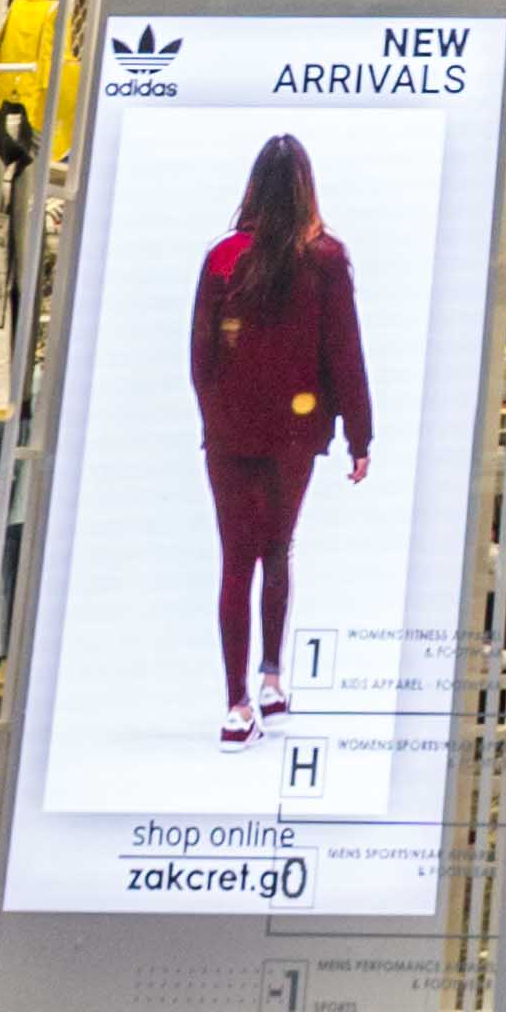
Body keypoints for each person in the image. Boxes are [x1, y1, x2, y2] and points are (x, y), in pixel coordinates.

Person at [189, 131, 371, 743]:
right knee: (277, 549)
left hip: (231, 432)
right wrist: (359, 436)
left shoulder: (223, 258)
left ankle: (235, 705)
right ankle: (271, 679)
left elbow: (201, 354)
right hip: (296, 433)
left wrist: (215, 419)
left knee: (234, 562)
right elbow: (344, 354)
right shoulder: (325, 259)